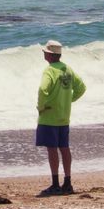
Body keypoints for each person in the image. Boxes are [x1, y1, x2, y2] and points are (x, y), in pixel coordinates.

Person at [35, 39, 86, 197]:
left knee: (52, 149)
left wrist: (41, 107)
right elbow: (81, 87)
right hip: (64, 116)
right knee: (64, 148)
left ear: (49, 55)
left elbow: (43, 89)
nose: (44, 53)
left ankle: (56, 184)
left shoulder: (50, 70)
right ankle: (68, 182)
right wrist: (68, 100)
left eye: (45, 51)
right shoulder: (67, 69)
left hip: (50, 116)